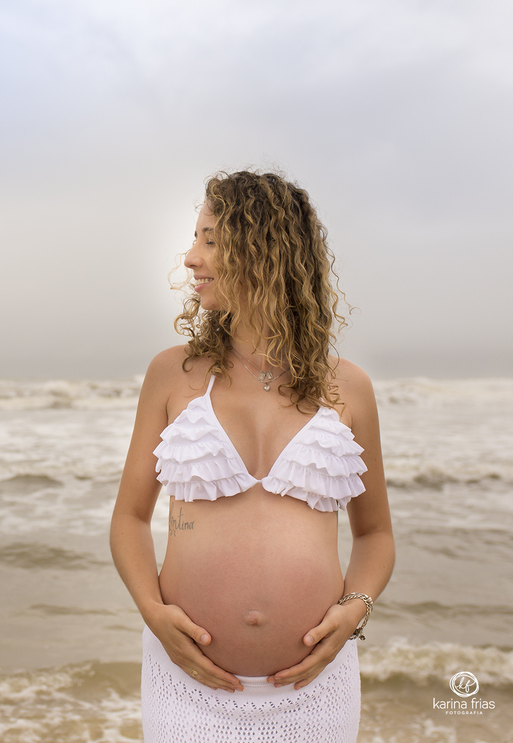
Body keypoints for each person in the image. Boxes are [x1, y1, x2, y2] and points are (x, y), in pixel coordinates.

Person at [110, 170, 394, 742]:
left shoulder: (349, 388)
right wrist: (152, 612)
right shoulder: (174, 374)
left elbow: (375, 534)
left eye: (210, 240)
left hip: (316, 688)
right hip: (187, 684)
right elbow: (130, 518)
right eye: (195, 239)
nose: (191, 258)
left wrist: (355, 609)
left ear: (264, 251)